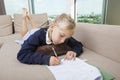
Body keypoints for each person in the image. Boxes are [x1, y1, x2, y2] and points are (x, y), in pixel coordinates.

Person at [17, 8, 83, 66]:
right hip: (32, 33)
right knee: (25, 34)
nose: (63, 41)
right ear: (52, 27)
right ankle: (24, 18)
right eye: (61, 35)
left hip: (41, 30)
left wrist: (74, 51)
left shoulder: (65, 35)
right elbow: (22, 54)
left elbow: (78, 44)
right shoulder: (37, 35)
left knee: (35, 28)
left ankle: (30, 18)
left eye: (67, 38)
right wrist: (46, 59)